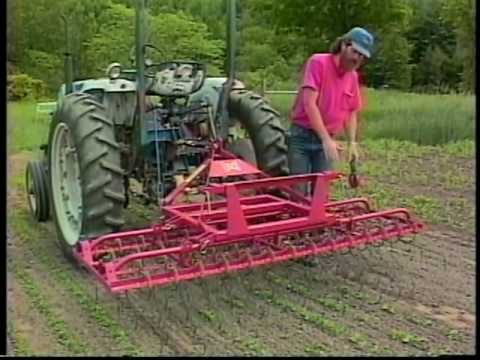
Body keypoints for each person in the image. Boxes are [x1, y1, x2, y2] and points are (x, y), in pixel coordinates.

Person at [288, 27, 374, 194]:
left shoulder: (352, 76)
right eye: (355, 52)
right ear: (343, 45)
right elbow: (309, 103)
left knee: (321, 193)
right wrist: (326, 139)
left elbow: (351, 111)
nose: (357, 59)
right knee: (298, 192)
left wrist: (352, 143)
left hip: (327, 140)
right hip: (302, 137)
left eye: (362, 56)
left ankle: (316, 220)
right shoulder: (318, 63)